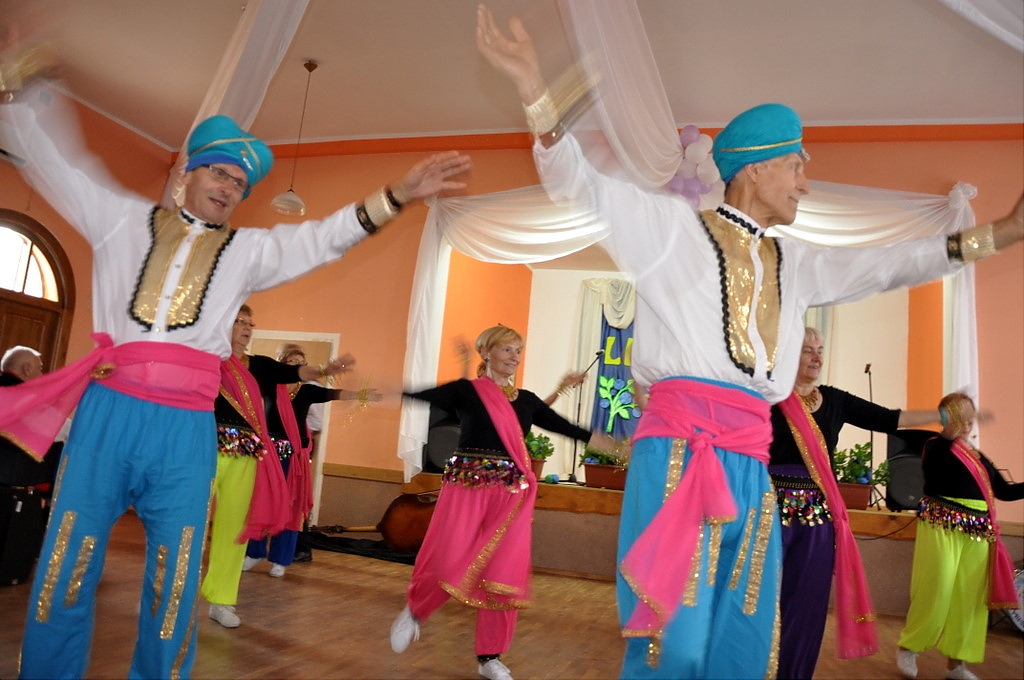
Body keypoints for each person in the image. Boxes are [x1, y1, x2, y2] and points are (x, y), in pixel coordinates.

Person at [476, 7, 1024, 678]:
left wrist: (1000, 234)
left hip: (750, 460)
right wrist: (535, 88)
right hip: (680, 453)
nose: (805, 182)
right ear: (756, 170)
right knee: (672, 639)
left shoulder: (797, 262)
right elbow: (579, 183)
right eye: (796, 165)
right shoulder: (671, 232)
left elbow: (889, 262)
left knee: (743, 635)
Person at [0, 58, 470, 678]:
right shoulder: (121, 221)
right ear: (187, 175)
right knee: (67, 563)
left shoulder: (248, 251)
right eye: (219, 171)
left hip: (185, 430)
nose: (228, 186)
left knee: (174, 576)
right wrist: (15, 89)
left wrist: (398, 194)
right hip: (109, 414)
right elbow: (61, 165)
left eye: (240, 183)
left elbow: (322, 238)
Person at [389, 324, 616, 680]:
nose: (514, 357)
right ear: (487, 352)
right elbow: (420, 395)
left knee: (502, 575)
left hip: (508, 496)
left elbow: (563, 426)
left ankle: (490, 658)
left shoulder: (526, 401)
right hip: (466, 488)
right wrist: (377, 389)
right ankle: (415, 610)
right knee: (447, 557)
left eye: (518, 351)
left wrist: (604, 441)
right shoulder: (467, 392)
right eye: (507, 349)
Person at [769, 326, 943, 679]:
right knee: (760, 595)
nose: (817, 357)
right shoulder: (767, 398)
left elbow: (890, 419)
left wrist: (941, 415)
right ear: (787, 354)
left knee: (807, 599)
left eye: (820, 349)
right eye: (807, 350)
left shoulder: (835, 400)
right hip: (769, 510)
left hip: (817, 517)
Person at [202, 306, 351, 629]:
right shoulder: (206, 358)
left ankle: (222, 600)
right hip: (204, 449)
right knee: (187, 523)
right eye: (240, 321)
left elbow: (296, 373)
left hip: (244, 454)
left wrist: (325, 370)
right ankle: (172, 592)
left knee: (233, 529)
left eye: (250, 323)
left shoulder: (259, 366)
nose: (247, 327)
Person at [896, 393, 1023, 680]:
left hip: (978, 532)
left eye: (969, 416)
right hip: (942, 526)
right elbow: (933, 470)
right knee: (937, 588)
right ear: (946, 419)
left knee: (970, 599)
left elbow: (1004, 491)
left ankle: (956, 664)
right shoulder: (935, 447)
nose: (965, 423)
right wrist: (948, 433)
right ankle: (909, 646)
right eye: (958, 416)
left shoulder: (978, 457)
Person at [243, 341, 380, 578]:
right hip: (267, 455)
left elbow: (334, 394)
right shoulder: (269, 386)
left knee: (290, 507)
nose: (298, 366)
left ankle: (280, 559)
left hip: (293, 458)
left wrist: (361, 394)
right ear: (282, 365)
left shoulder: (307, 391)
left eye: (302, 362)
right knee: (263, 502)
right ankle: (254, 553)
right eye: (293, 362)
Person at [0, 346, 61, 490]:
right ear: (27, 369)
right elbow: (61, 432)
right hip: (12, 476)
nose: (42, 375)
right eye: (40, 369)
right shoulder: (29, 399)